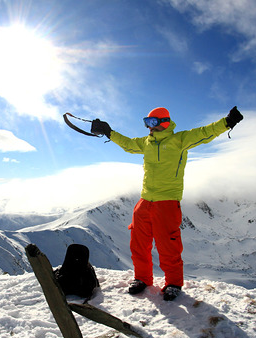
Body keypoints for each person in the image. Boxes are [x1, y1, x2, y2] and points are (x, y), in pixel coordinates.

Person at [90, 106, 243, 301]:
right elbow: (128, 144)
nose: (149, 127)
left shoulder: (179, 140)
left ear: (164, 122)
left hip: (167, 203)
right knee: (138, 243)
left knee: (168, 246)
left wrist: (227, 122)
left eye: (152, 122)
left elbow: (205, 133)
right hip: (145, 201)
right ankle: (142, 279)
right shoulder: (147, 143)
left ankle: (173, 283)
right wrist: (108, 132)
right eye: (146, 122)